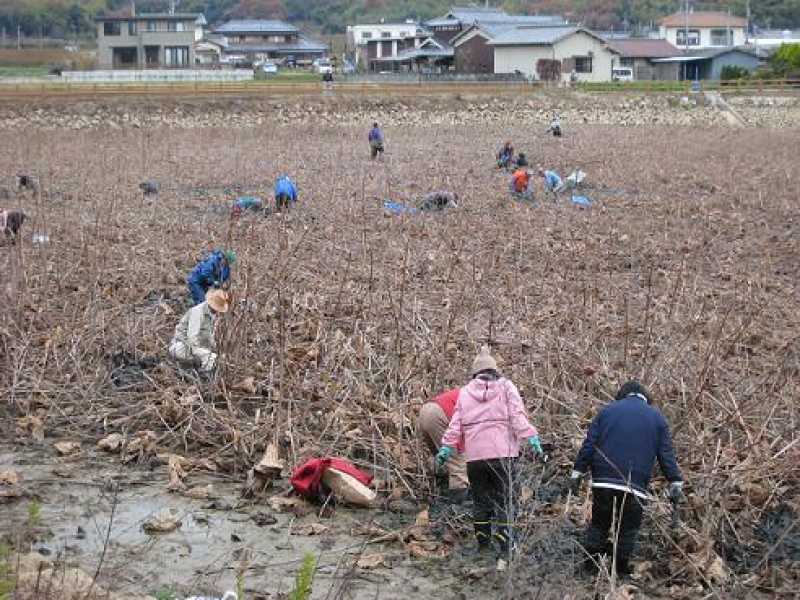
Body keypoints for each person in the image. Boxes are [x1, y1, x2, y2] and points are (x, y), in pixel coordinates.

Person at [437, 347, 544, 565]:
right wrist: (531, 438)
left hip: (475, 459)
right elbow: (517, 416)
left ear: (474, 373)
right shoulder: (506, 387)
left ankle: (483, 545)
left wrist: (445, 449)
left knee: (480, 502)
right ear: (495, 370)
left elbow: (455, 423)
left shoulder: (466, 392)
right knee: (507, 501)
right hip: (503, 456)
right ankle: (506, 545)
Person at [569, 381, 684, 577]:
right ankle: (619, 571)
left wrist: (577, 472)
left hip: (603, 479)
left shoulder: (607, 411)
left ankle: (588, 569)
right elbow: (666, 455)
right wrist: (675, 480)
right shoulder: (658, 419)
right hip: (635, 484)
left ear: (622, 395)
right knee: (628, 529)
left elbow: (589, 444)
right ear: (645, 397)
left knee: (599, 524)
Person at [418, 389, 469, 503]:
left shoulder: (472, 391)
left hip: (426, 410)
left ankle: (439, 486)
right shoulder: (489, 402)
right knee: (459, 465)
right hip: (443, 415)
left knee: (442, 456)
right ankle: (458, 507)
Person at [169, 289, 230, 374]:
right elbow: (192, 339)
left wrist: (214, 348)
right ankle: (205, 377)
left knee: (218, 357)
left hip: (196, 346)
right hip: (181, 347)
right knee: (211, 357)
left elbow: (208, 336)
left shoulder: (211, 315)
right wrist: (202, 353)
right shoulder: (197, 312)